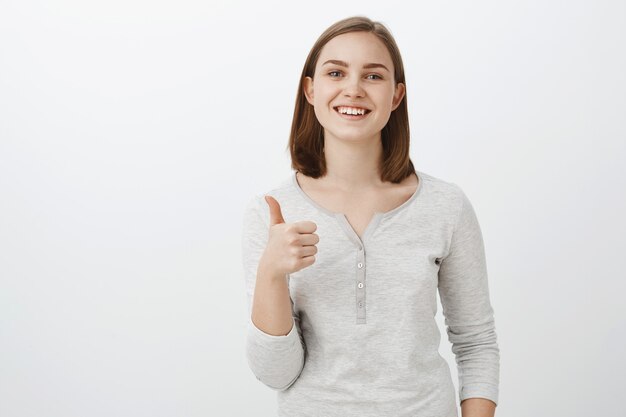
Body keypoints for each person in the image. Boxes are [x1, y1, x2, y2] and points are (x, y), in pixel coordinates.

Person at [241, 15, 500, 417]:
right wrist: (271, 273)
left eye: (373, 76)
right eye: (336, 72)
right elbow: (276, 374)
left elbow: (475, 342)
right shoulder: (272, 213)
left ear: (396, 96)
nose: (353, 89)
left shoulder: (445, 206)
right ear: (311, 89)